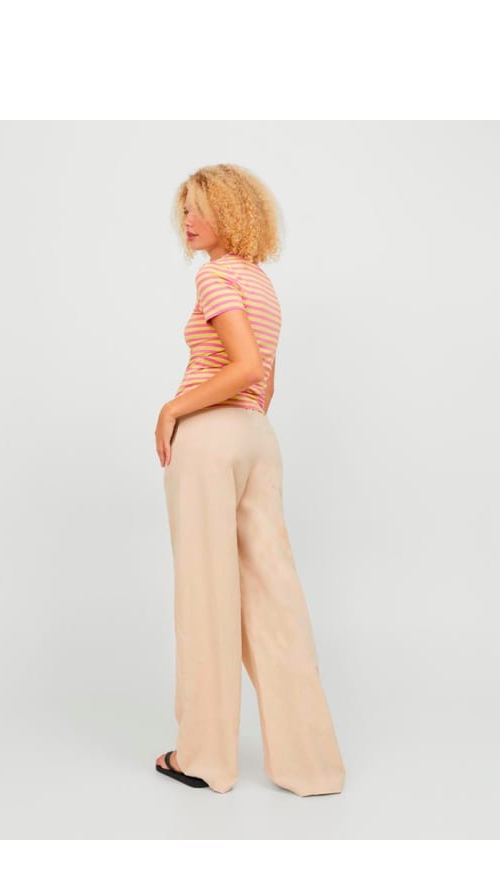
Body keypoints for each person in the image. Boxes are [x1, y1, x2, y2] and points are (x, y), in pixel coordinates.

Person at [154, 163, 345, 796]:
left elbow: (244, 366)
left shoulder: (214, 277)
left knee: (205, 594)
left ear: (230, 213)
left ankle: (203, 758)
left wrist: (174, 409)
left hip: (210, 437)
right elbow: (265, 381)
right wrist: (242, 426)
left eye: (198, 208)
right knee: (274, 597)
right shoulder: (261, 283)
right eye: (184, 209)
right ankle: (312, 765)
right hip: (257, 437)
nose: (187, 221)